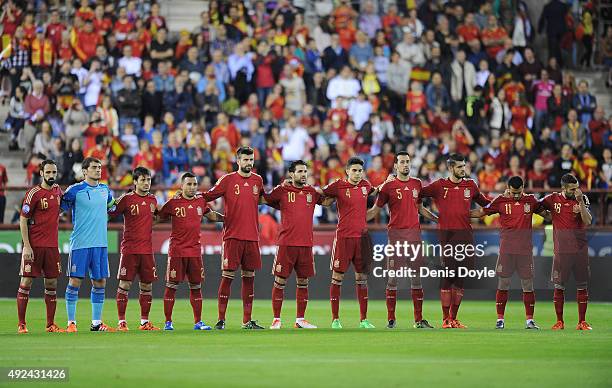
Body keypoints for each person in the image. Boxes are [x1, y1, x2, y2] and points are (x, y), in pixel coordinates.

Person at [367, 152, 437, 329]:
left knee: (416, 279)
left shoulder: (417, 184)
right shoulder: (388, 187)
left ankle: (418, 320)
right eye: (402, 162)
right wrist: (355, 218)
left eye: (408, 162)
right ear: (396, 166)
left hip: (414, 236)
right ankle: (391, 319)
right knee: (392, 279)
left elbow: (420, 208)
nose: (405, 164)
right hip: (396, 236)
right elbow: (375, 210)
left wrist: (438, 219)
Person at [420, 153, 490, 329]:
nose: (463, 169)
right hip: (447, 236)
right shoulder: (439, 185)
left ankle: (454, 318)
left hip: (466, 236)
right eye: (459, 167)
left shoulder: (471, 185)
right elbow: (417, 194)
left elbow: (486, 205)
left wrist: (501, 203)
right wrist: (432, 216)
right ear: (450, 168)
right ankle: (445, 319)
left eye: (464, 166)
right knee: (448, 276)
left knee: (461, 277)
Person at [471, 176, 547, 330]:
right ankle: (500, 320)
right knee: (503, 283)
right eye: (513, 193)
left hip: (525, 251)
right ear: (508, 189)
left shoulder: (531, 200)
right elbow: (480, 213)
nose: (516, 195)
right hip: (506, 250)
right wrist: (457, 214)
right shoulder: (500, 200)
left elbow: (547, 214)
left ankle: (529, 320)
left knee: (527, 284)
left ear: (523, 188)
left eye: (519, 192)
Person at [262, 160, 330, 329]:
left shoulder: (311, 192)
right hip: (286, 243)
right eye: (299, 171)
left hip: (306, 244)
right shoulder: (282, 190)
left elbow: (328, 201)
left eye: (305, 171)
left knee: (303, 282)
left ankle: (300, 319)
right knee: (280, 281)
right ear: (291, 174)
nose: (303, 174)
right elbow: (265, 199)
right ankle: (276, 319)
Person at [203, 147, 266, 330]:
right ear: (238, 161)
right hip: (232, 236)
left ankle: (247, 321)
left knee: (249, 277)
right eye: (245, 160)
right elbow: (208, 196)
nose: (249, 163)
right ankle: (221, 319)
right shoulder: (228, 180)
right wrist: (188, 197)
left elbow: (263, 199)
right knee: (228, 276)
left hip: (252, 236)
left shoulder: (258, 180)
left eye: (251, 159)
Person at [322, 157, 383, 329]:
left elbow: (374, 190)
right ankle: (335, 319)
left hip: (362, 239)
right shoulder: (338, 186)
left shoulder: (365, 185)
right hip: (343, 238)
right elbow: (321, 194)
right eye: (354, 170)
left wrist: (386, 184)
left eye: (360, 170)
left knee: (362, 278)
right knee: (337, 277)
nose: (357, 173)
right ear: (347, 171)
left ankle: (363, 320)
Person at [158, 172, 224, 331]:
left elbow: (213, 216)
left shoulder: (201, 201)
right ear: (181, 186)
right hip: (177, 251)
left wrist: (229, 218)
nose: (192, 187)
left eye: (195, 184)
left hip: (194, 251)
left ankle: (198, 322)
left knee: (196, 287)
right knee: (171, 286)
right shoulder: (173, 203)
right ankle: (168, 322)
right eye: (189, 184)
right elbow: (157, 218)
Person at [60, 157, 115, 332]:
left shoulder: (105, 190)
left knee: (100, 282)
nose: (98, 170)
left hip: (100, 243)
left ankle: (96, 323)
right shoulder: (74, 190)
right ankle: (71, 323)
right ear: (84, 171)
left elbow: (113, 208)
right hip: (80, 243)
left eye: (99, 167)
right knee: (75, 281)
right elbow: (58, 209)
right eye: (94, 167)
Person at [108, 167, 160, 331]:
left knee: (147, 286)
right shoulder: (126, 199)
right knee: (125, 284)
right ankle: (121, 322)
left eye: (148, 180)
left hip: (147, 250)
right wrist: (109, 201)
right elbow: (111, 212)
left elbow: (155, 218)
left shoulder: (153, 200)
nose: (146, 183)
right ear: (135, 182)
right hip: (129, 249)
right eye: (143, 180)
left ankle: (144, 322)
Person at [16, 159, 64, 333]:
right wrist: (27, 246)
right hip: (34, 246)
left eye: (54, 172)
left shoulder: (59, 191)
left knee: (51, 283)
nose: (51, 175)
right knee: (26, 281)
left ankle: (50, 324)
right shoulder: (33, 194)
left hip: (52, 246)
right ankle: (21, 324)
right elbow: (23, 220)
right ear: (41, 173)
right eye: (48, 172)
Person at [541, 174, 593, 330]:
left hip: (580, 249)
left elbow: (588, 221)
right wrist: (549, 216)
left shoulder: (582, 198)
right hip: (562, 251)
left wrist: (581, 204)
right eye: (572, 189)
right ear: (564, 188)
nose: (576, 190)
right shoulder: (552, 199)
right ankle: (559, 322)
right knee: (559, 286)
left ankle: (582, 322)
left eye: (577, 187)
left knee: (582, 285)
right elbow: (537, 207)